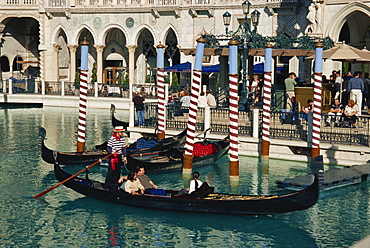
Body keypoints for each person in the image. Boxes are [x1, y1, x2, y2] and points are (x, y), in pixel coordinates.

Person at [104, 126, 127, 191]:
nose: (122, 133)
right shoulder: (112, 138)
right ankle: (107, 185)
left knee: (118, 171)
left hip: (119, 156)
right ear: (118, 132)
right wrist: (111, 152)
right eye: (121, 132)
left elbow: (124, 148)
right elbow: (108, 147)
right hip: (113, 157)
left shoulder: (122, 139)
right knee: (111, 171)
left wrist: (125, 156)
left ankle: (115, 184)